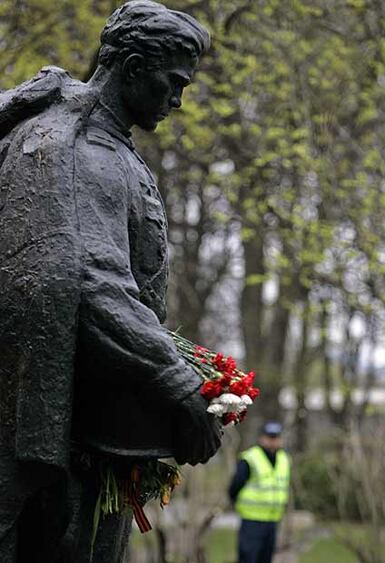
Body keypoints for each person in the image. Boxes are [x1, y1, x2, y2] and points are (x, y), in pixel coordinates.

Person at [0, 2, 222, 561]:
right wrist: (177, 385)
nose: (177, 101)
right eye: (171, 83)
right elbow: (88, 281)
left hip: (91, 425)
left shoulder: (108, 147)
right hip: (67, 443)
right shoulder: (75, 151)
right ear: (127, 64)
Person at [229, 422, 290, 563]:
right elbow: (235, 485)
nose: (273, 441)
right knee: (248, 557)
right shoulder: (250, 458)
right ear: (262, 438)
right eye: (270, 437)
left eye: (276, 437)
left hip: (273, 519)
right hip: (252, 519)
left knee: (266, 558)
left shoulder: (284, 459)